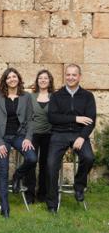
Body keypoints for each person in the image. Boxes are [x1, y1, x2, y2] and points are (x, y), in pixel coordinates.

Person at [46, 64, 96, 214]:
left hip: (79, 134)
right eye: (68, 75)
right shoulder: (56, 95)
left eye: (74, 75)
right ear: (65, 76)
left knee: (89, 158)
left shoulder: (88, 96)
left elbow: (91, 120)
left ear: (79, 76)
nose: (71, 77)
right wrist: (76, 118)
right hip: (59, 134)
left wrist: (82, 137)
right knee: (51, 164)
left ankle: (79, 186)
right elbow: (53, 118)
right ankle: (52, 203)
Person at [0, 68, 37, 218]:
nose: (12, 79)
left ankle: (17, 175)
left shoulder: (26, 97)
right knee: (2, 170)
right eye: (8, 77)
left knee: (32, 158)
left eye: (14, 76)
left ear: (18, 79)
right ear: (5, 81)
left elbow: (30, 119)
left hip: (20, 136)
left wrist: (28, 138)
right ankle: (5, 207)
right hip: (2, 138)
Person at [24, 70, 55, 204]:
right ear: (37, 81)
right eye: (40, 78)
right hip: (33, 135)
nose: (43, 80)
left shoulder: (55, 97)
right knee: (31, 163)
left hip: (49, 135)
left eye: (45, 78)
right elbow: (26, 116)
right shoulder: (30, 97)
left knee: (45, 164)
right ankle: (29, 194)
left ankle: (42, 193)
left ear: (49, 81)